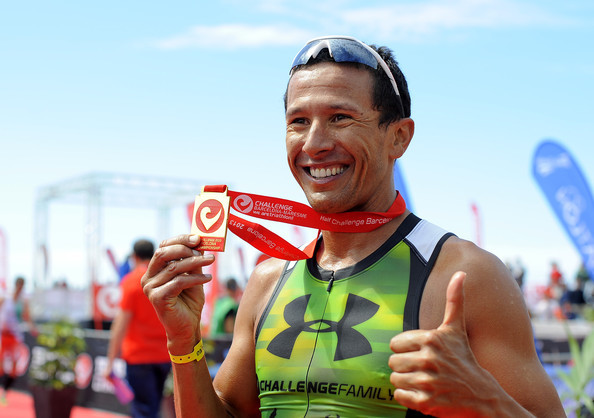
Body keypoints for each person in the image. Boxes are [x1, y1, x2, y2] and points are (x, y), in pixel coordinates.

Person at [141, 36, 565, 416]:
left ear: (399, 137)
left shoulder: (464, 275)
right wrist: (183, 342)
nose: (314, 144)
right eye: (298, 122)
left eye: (341, 118)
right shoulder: (268, 280)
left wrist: (484, 401)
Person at [105, 239, 171, 418]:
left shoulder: (132, 281)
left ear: (134, 256)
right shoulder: (165, 279)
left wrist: (110, 362)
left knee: (143, 410)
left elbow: (120, 324)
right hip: (164, 355)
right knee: (154, 407)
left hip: (138, 356)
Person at [0, 276, 35, 405]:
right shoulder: (6, 297)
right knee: (1, 365)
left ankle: (4, 393)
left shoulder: (23, 301)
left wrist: (33, 328)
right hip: (3, 335)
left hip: (15, 337)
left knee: (13, 367)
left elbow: (27, 317)